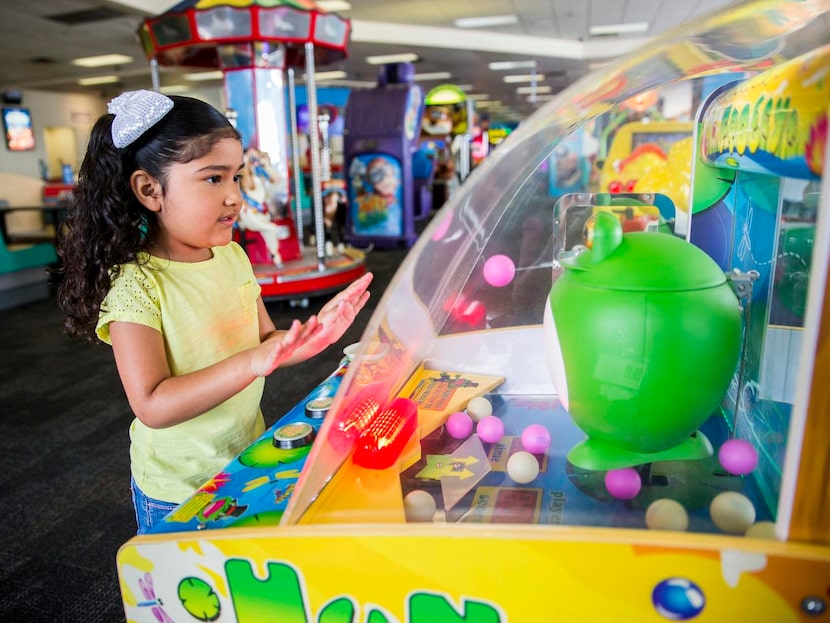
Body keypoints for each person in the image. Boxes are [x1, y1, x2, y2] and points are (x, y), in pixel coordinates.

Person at [54, 90, 373, 534]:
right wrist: (253, 362)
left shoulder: (233, 257)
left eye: (236, 177)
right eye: (213, 179)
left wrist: (315, 335)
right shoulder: (135, 285)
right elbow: (152, 404)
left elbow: (265, 344)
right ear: (150, 190)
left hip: (245, 458)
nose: (235, 198)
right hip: (178, 490)